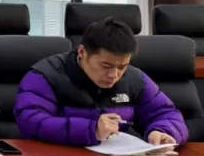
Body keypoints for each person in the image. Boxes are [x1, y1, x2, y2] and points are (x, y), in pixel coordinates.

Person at [15, 17, 188, 147]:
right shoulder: (46, 75)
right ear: (82, 52)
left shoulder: (135, 79)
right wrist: (91, 129)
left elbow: (165, 113)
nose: (114, 75)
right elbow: (31, 121)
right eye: (106, 65)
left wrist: (163, 132)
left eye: (122, 66)